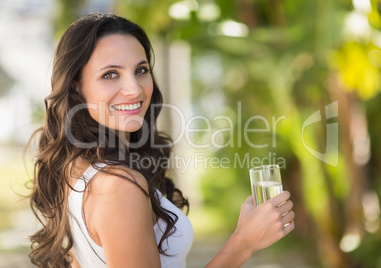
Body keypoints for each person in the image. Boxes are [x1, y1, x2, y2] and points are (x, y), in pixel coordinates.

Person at [28, 13, 295, 268]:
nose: (134, 89)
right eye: (110, 74)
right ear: (76, 85)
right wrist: (243, 243)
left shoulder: (74, 168)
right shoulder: (118, 186)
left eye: (141, 70)